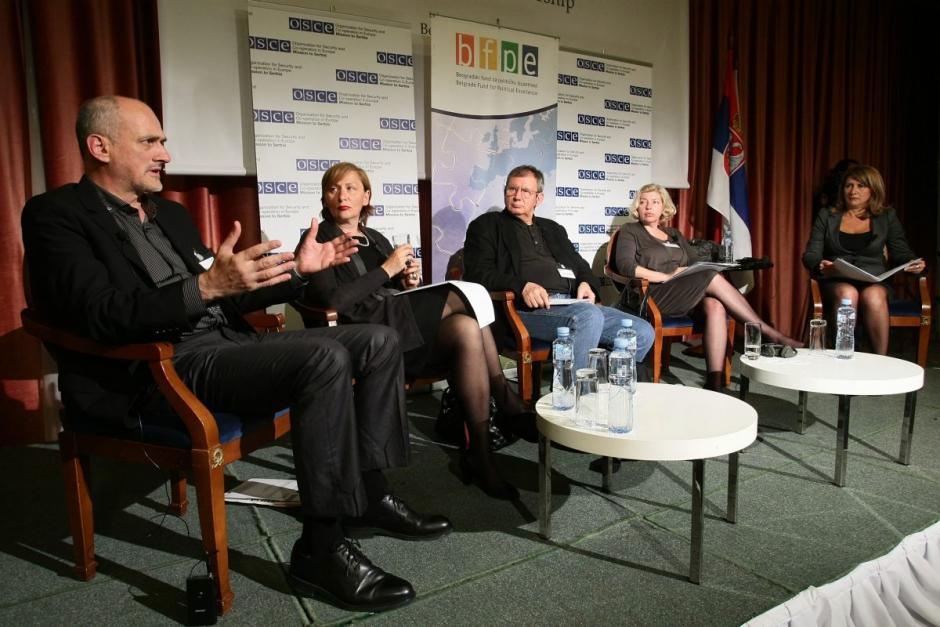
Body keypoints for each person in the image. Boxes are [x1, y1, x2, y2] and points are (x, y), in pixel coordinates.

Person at [21, 96, 452, 613]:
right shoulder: (56, 215)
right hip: (160, 366)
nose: (165, 153)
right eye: (150, 141)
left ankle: (370, 493)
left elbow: (230, 295)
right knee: (323, 358)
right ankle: (320, 546)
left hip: (227, 345)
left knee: (377, 340)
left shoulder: (171, 215)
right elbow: (99, 314)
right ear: (100, 147)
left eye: (163, 141)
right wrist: (203, 289)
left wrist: (298, 272)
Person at [297, 162, 533, 501]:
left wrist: (406, 281)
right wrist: (386, 269)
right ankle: (505, 397)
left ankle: (480, 456)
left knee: (466, 327)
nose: (342, 195)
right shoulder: (319, 239)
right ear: (325, 197)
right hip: (366, 333)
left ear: (366, 197)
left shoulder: (376, 238)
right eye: (333, 189)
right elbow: (333, 302)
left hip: (396, 319)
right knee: (465, 293)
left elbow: (390, 289)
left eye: (350, 188)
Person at [463, 165, 655, 372]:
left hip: (572, 305)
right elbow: (477, 273)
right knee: (589, 317)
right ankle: (573, 389)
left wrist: (586, 283)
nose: (517, 196)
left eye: (525, 191)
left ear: (538, 198)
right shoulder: (487, 225)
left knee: (642, 331)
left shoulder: (552, 228)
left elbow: (580, 265)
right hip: (523, 310)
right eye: (512, 189)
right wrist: (522, 286)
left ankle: (604, 382)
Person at [614, 183, 802, 391]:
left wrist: (700, 267)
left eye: (655, 202)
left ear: (663, 207)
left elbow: (695, 261)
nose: (648, 206)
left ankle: (715, 381)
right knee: (712, 277)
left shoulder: (674, 234)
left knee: (715, 306)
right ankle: (769, 333)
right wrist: (664, 276)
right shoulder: (630, 231)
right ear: (637, 207)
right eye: (643, 202)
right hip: (652, 294)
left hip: (683, 293)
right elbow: (625, 266)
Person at [802, 164, 925, 355]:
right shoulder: (827, 215)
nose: (853, 191)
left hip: (874, 280)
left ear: (873, 190)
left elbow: (901, 251)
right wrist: (820, 265)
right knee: (847, 294)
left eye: (861, 186)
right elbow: (811, 254)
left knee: (874, 296)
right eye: (849, 185)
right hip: (837, 280)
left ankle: (880, 360)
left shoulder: (886, 217)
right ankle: (843, 356)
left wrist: (914, 263)